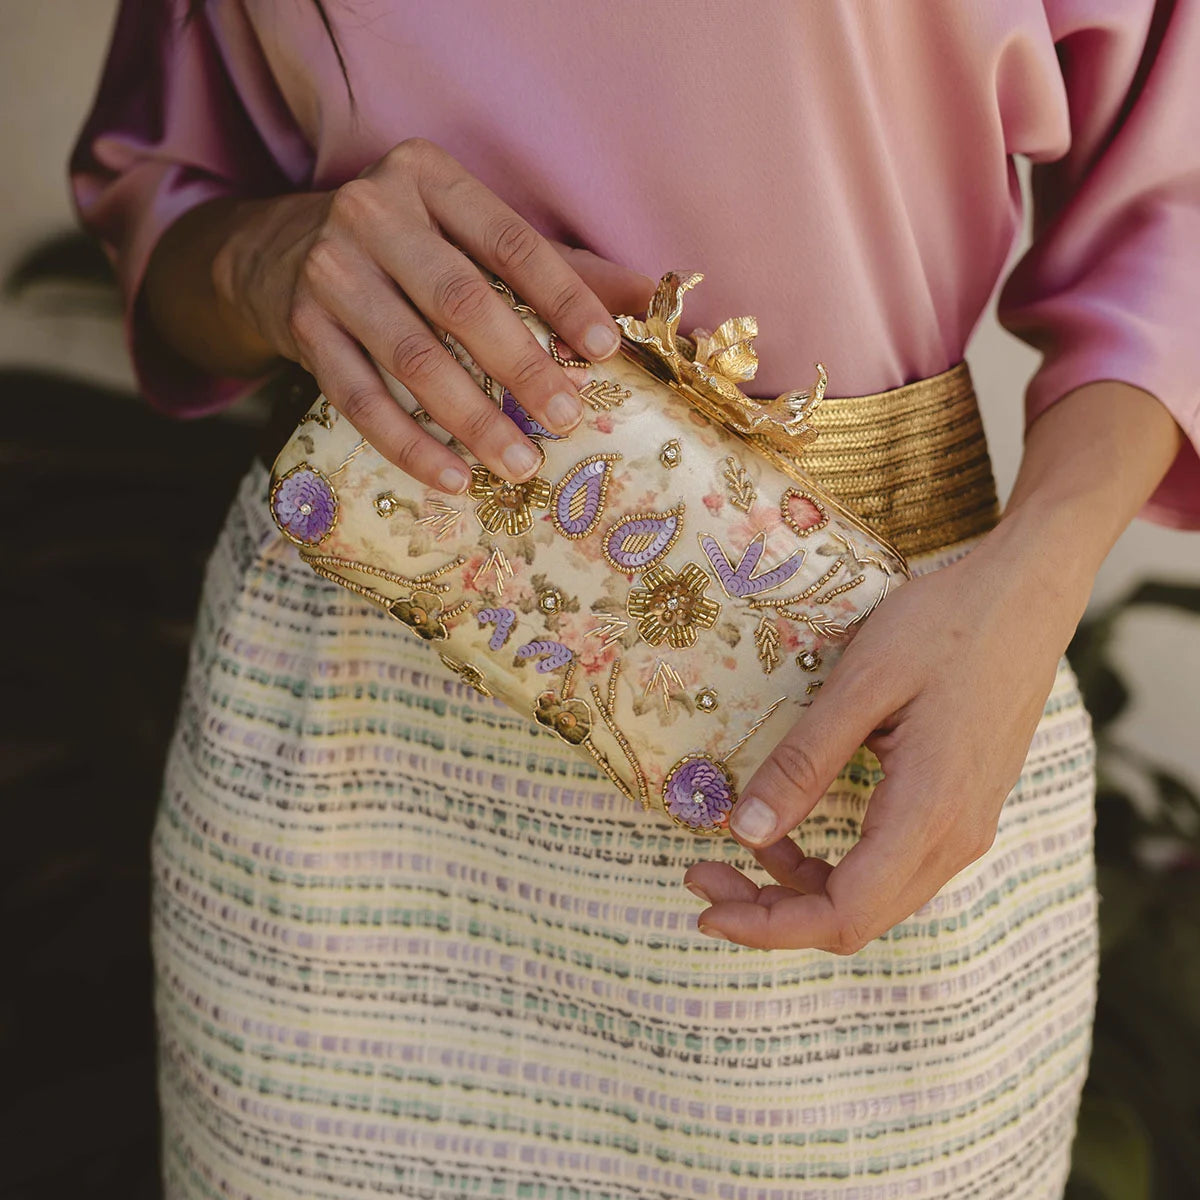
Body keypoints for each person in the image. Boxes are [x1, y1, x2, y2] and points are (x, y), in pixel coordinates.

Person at [71, 2, 1198, 1196]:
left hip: (867, 708)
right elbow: (162, 179)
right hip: (356, 763)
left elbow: (1176, 198)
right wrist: (266, 254)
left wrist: (1044, 569)